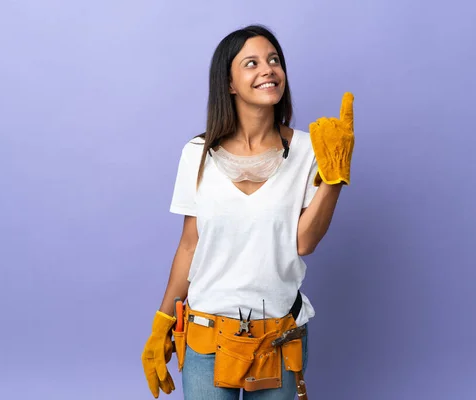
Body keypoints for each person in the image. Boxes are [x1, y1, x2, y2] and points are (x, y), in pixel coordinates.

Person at [141, 24, 355, 400]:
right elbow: (190, 245)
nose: (268, 70)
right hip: (207, 334)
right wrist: (164, 322)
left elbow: (304, 242)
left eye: (274, 61)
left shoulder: (311, 149)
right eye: (251, 63)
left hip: (279, 337)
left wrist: (334, 179)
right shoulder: (197, 152)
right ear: (229, 84)